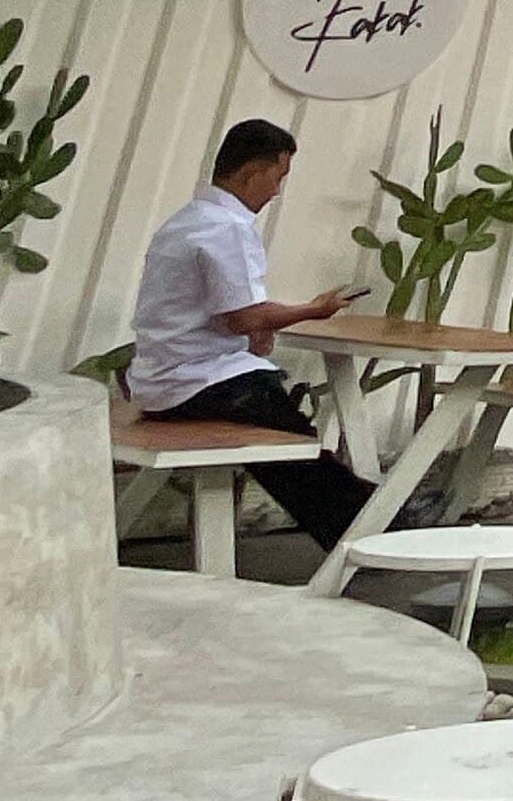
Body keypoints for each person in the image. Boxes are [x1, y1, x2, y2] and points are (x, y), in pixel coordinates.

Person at [125, 118, 380, 552]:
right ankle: (376, 531)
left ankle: (372, 524)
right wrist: (315, 310)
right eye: (277, 177)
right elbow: (245, 317)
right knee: (293, 449)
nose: (276, 191)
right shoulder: (228, 228)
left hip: (157, 382)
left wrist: (256, 331)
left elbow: (225, 318)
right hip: (201, 383)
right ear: (251, 173)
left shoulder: (185, 221)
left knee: (289, 447)